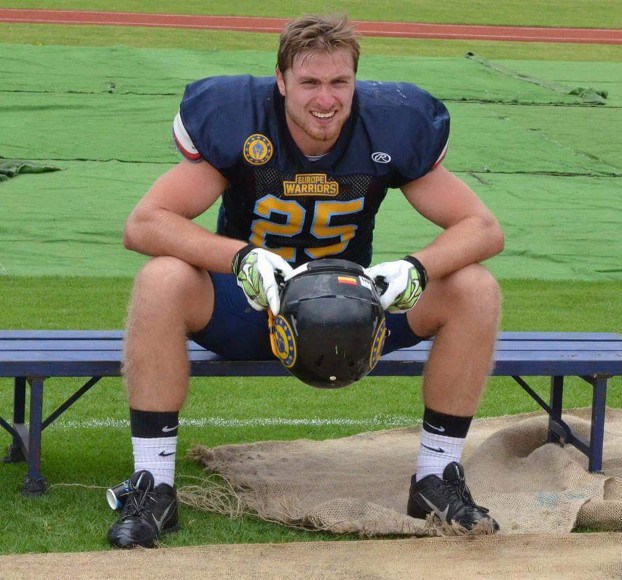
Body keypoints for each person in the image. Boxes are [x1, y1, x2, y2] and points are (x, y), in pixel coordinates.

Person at [108, 13, 504, 548]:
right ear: (281, 81)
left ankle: (437, 477)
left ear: (355, 82)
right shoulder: (242, 120)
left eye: (339, 82)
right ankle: (154, 484)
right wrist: (240, 258)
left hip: (354, 314)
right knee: (161, 278)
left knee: (474, 287)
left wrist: (417, 267)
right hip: (251, 309)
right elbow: (144, 223)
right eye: (310, 82)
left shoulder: (389, 123)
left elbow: (483, 227)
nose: (325, 99)